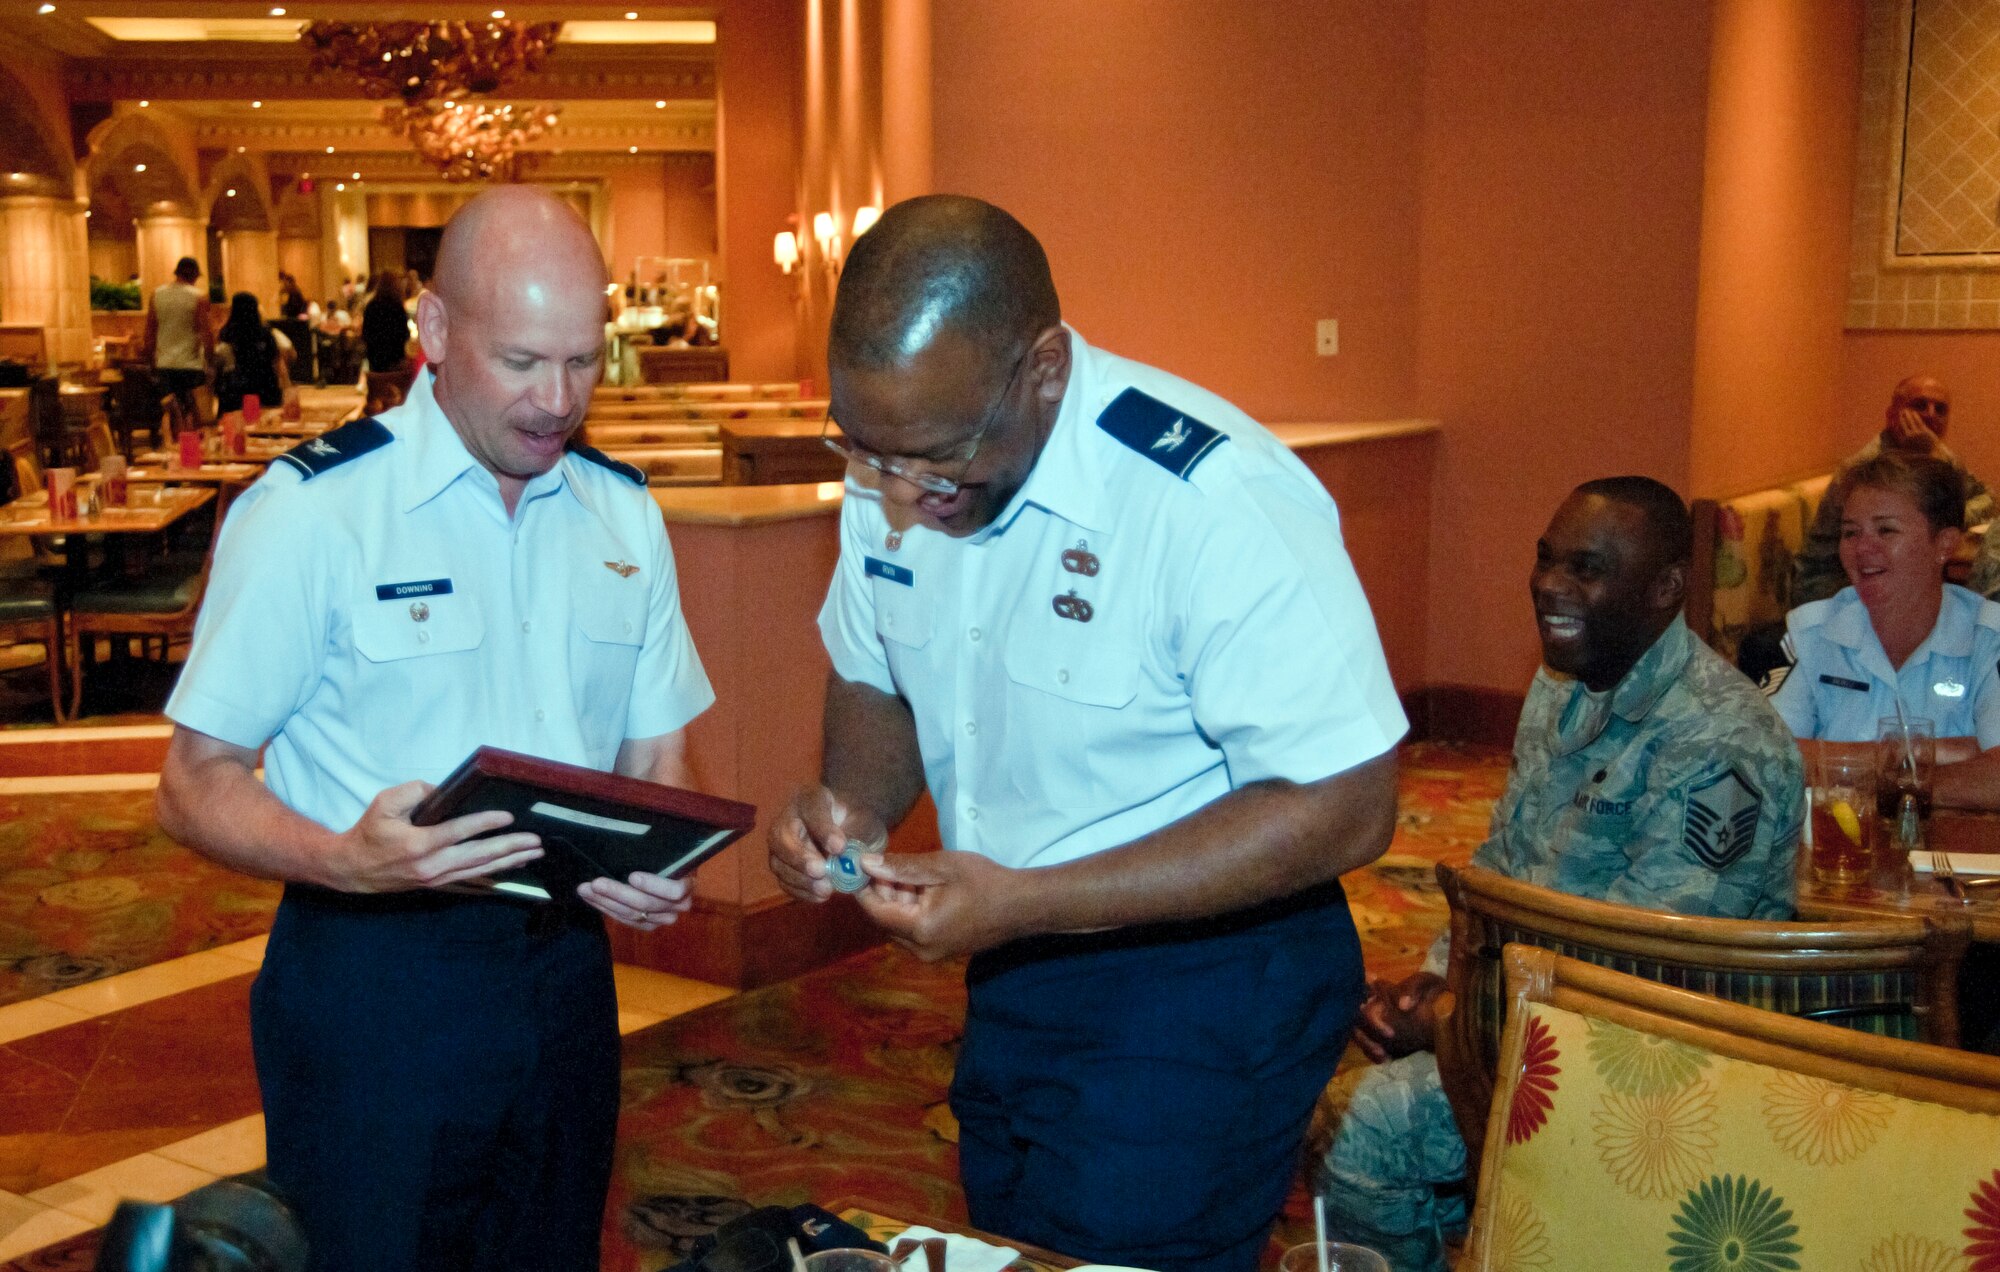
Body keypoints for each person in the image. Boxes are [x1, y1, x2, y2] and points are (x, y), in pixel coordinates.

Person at [767, 196, 1406, 1272]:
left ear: (1044, 370)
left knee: (1117, 1249)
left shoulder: (1208, 499)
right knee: (1015, 1241)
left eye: (934, 458)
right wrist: (851, 807)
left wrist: (1028, 901)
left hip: (1206, 975)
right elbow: (873, 668)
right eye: (865, 450)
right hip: (1015, 959)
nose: (897, 492)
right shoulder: (897, 463)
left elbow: (1347, 802)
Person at [154, 186, 712, 1272]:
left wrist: (658, 863)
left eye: (583, 361)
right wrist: (343, 860)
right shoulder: (313, 512)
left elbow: (658, 755)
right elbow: (193, 781)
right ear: (437, 332)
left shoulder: (623, 513)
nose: (558, 400)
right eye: (520, 361)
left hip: (563, 974)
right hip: (372, 979)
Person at [1315, 477, 1805, 1272]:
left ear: (1666, 589)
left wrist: (1454, 1022)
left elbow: (1649, 967)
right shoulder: (1559, 687)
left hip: (1655, 1054)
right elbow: (1501, 866)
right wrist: (1435, 982)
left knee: (1362, 1129)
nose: (1550, 585)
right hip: (1527, 1011)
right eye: (1546, 560)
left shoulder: (1720, 740)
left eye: (1586, 568)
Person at [1765, 451, 2000, 806]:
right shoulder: (1810, 634)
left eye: (1886, 529)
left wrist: (1838, 766)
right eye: (1850, 532)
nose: (1862, 549)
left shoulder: (1988, 639)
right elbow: (1766, 757)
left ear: (1945, 544)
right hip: (1839, 853)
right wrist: (1934, 754)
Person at [1793, 376, 1996, 605]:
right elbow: (1899, 536)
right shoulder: (1871, 468)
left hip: (1889, 579)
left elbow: (1988, 499)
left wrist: (1938, 459)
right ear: (1891, 416)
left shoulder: (1936, 456)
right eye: (1919, 405)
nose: (1930, 414)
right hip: (1831, 587)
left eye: (1940, 409)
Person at [141, 256, 213, 434]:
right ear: (195, 275)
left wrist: (151, 362)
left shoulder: (157, 295)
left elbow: (150, 332)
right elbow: (206, 334)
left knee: (171, 417)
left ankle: (173, 451)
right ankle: (193, 452)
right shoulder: (199, 297)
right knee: (192, 419)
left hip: (165, 365)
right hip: (191, 367)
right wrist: (210, 363)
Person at [212, 292, 292, 416]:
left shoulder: (227, 334)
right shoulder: (264, 333)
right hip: (266, 387)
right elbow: (277, 361)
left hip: (236, 392)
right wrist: (287, 386)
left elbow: (218, 363)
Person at [361, 270, 410, 375]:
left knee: (378, 387)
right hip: (395, 359)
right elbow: (404, 334)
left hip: (375, 358)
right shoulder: (397, 307)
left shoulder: (371, 306)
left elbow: (366, 333)